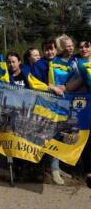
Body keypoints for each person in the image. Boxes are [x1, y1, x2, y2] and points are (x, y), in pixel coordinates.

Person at [32, 39, 72, 185]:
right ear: (43, 51)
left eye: (52, 49)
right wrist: (51, 87)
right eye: (47, 49)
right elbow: (34, 82)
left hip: (61, 105)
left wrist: (65, 87)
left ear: (56, 50)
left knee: (60, 136)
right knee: (48, 136)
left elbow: (71, 79)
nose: (50, 51)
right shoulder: (38, 65)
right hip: (45, 105)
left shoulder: (63, 64)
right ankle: (51, 170)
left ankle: (57, 166)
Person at [66, 40, 91, 188]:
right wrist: (60, 88)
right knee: (87, 139)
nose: (83, 48)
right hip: (84, 106)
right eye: (81, 46)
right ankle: (88, 172)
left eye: (87, 45)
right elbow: (70, 85)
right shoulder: (76, 64)